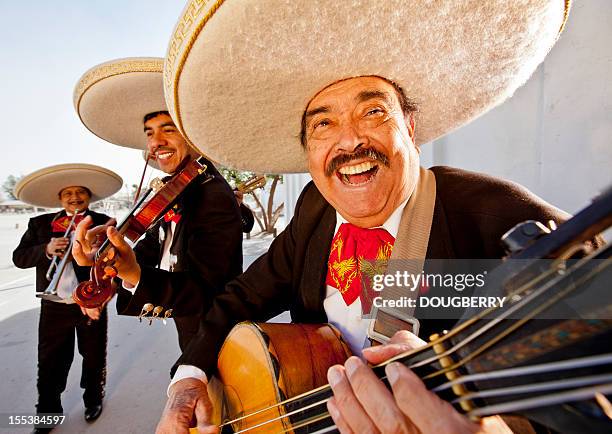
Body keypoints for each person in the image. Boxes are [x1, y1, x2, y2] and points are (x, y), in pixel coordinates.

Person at [136, 2, 579, 432]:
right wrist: (188, 379)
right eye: (323, 124)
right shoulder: (315, 208)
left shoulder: (499, 217)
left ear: (409, 126)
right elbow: (240, 298)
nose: (349, 143)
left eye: (372, 111)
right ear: (308, 150)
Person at [72, 58, 244, 351]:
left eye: (168, 129)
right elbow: (150, 248)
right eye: (149, 132)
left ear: (192, 134)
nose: (155, 142)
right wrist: (107, 257)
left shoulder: (211, 193)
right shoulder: (178, 189)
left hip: (216, 337)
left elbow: (208, 291)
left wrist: (135, 274)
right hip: (191, 329)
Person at [12, 163, 122, 431]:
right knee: (50, 360)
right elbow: (19, 258)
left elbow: (114, 264)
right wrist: (46, 249)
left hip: (90, 302)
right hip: (54, 305)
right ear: (59, 198)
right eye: (68, 193)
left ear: (89, 196)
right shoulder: (39, 224)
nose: (74, 197)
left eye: (80, 192)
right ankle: (48, 412)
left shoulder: (102, 223)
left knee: (93, 355)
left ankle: (93, 398)